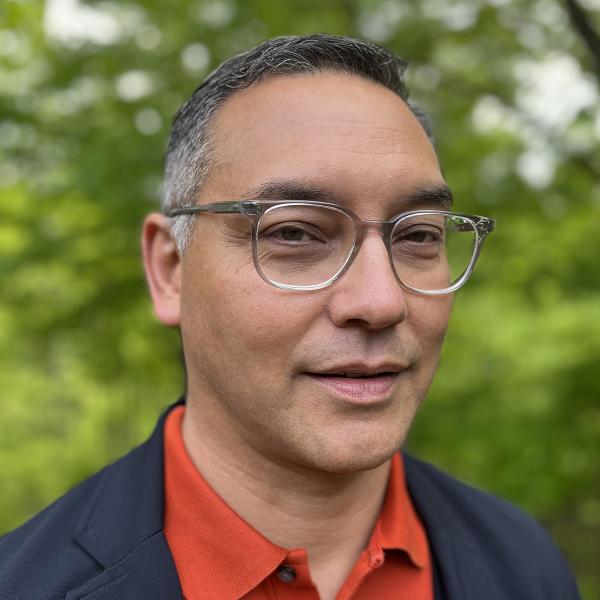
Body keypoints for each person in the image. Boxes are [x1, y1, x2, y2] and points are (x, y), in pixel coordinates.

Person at [0, 34, 580, 600]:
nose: (381, 302)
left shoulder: (523, 563)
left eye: (419, 235)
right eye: (295, 233)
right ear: (171, 269)